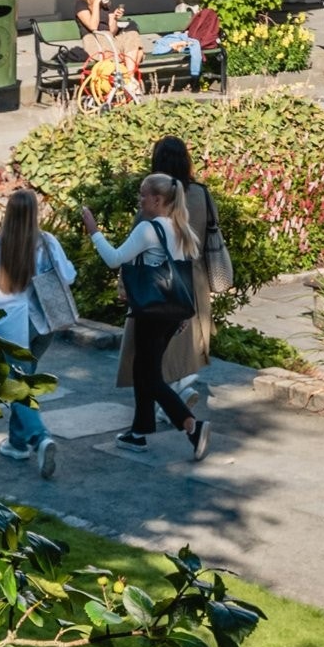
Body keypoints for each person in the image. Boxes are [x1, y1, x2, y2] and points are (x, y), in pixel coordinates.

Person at [82, 173, 210, 458]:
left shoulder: (148, 229)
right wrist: (183, 315)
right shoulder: (181, 228)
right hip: (172, 312)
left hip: (152, 311)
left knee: (149, 375)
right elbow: (182, 276)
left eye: (143, 195)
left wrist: (94, 231)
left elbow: (114, 259)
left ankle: (191, 425)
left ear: (157, 199)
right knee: (144, 371)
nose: (140, 200)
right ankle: (138, 432)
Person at [0, 187, 75, 477]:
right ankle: (17, 443)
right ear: (35, 213)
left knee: (15, 385)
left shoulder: (0, 244)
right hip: (43, 323)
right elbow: (68, 276)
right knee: (23, 380)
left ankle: (39, 437)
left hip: (11, 324)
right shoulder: (47, 241)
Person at [117, 137, 218, 403]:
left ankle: (172, 402)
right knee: (184, 344)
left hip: (158, 280)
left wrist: (124, 284)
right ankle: (181, 389)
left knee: (153, 349)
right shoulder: (201, 194)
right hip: (193, 279)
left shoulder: (156, 198)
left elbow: (134, 247)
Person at [75, 0, 144, 62]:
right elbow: (93, 27)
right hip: (94, 40)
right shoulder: (81, 3)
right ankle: (127, 69)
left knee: (135, 42)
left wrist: (115, 17)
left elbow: (112, 31)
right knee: (128, 56)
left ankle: (129, 71)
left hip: (109, 37)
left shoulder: (107, 4)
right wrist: (96, 2)